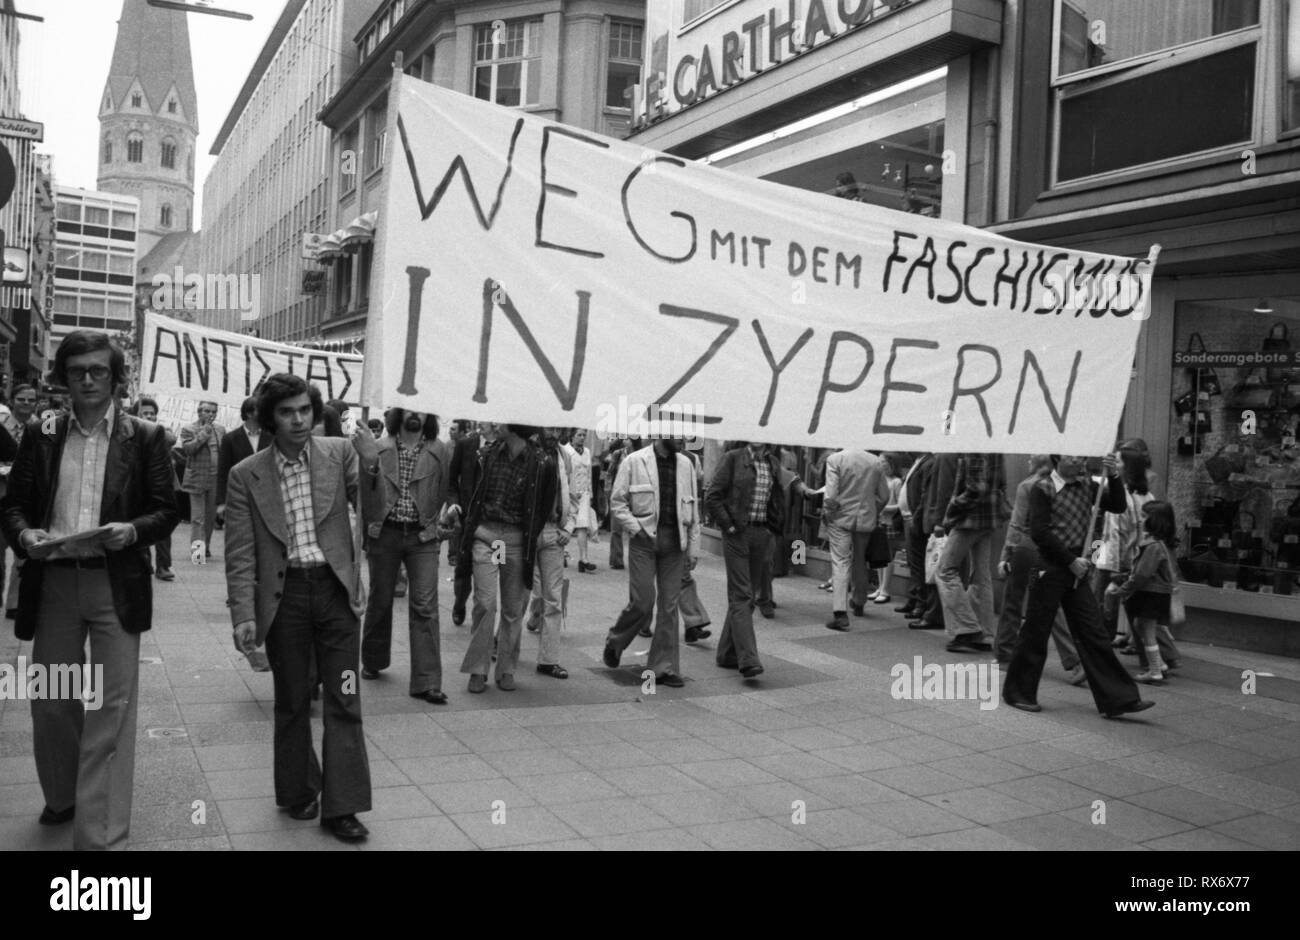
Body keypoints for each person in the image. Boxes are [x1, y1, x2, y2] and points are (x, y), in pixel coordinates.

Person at [1, 330, 179, 849]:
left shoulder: (145, 436)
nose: (87, 380)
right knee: (52, 703)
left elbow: (168, 510)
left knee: (112, 710)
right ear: (61, 378)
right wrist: (23, 535)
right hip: (54, 581)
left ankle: (99, 836)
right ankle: (63, 794)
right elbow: (12, 505)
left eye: (98, 370)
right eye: (77, 371)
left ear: (116, 377)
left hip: (114, 584)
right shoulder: (43, 431)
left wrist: (134, 531)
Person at [224, 373, 371, 842]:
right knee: (290, 701)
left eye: (305, 410)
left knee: (345, 697)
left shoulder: (339, 453)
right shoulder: (246, 474)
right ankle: (297, 789)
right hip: (284, 601)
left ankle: (342, 806)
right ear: (270, 418)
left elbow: (376, 513)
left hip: (334, 595)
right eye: (287, 412)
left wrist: (371, 466)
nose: (299, 420)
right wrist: (243, 614)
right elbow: (241, 552)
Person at [1001, 454, 1155, 719]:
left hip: (1077, 565)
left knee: (1093, 630)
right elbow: (1039, 531)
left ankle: (1119, 699)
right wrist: (1070, 561)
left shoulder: (1089, 486)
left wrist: (1115, 476)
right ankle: (1018, 693)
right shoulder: (1043, 488)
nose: (1081, 462)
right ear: (1058, 458)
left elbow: (1118, 505)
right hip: (1051, 564)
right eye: (1075, 458)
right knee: (1036, 630)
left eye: (1082, 457)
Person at [352, 409, 452, 704]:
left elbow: (444, 489)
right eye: (409, 409)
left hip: (422, 537)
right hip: (385, 532)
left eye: (421, 411)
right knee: (381, 599)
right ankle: (373, 659)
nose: (414, 415)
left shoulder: (440, 451)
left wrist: (434, 521)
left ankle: (427, 680)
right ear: (398, 413)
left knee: (425, 604)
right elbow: (364, 493)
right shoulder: (379, 447)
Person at [450, 423, 545, 693]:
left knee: (513, 609)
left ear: (515, 428)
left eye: (503, 422)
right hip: (487, 535)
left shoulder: (539, 462)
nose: (496, 425)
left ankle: (506, 668)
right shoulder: (487, 455)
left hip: (515, 540)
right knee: (486, 603)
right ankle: (478, 669)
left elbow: (544, 502)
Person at [602, 436, 700, 687]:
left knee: (669, 606)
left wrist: (693, 548)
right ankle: (616, 640)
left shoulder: (686, 464)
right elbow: (618, 502)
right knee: (643, 602)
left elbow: (694, 510)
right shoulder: (634, 461)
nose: (683, 439)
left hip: (675, 544)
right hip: (643, 543)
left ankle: (663, 668)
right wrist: (636, 529)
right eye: (678, 434)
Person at [705, 440, 790, 678]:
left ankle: (726, 653)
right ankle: (748, 659)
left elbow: (776, 498)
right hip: (737, 534)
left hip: (761, 534)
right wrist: (728, 526)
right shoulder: (733, 458)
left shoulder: (772, 462)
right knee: (742, 595)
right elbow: (712, 495)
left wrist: (772, 529)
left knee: (747, 598)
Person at [996, 454, 1084, 684]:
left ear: (1041, 464)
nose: (1027, 462)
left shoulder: (1028, 486)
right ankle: (1074, 659)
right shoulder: (1065, 486)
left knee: (1013, 600)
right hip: (1054, 555)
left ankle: (1005, 653)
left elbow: (1017, 523)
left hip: (1027, 552)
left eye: (1031, 459)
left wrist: (1005, 555)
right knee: (1050, 606)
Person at [936, 453, 1008, 653]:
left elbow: (976, 489)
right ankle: (985, 634)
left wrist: (951, 511)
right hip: (988, 518)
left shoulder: (975, 448)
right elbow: (1001, 484)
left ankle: (966, 628)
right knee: (981, 575)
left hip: (970, 519)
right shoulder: (996, 449)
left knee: (944, 571)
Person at [521, 427, 574, 680]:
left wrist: (569, 527)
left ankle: (548, 660)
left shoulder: (564, 455)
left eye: (558, 428)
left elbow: (573, 494)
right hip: (527, 531)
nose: (554, 432)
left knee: (553, 597)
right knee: (518, 592)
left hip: (554, 531)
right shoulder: (527, 450)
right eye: (549, 428)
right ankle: (500, 641)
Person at [822, 447, 891, 631]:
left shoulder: (836, 459)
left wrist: (828, 513)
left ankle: (840, 613)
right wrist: (872, 508)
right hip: (864, 518)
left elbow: (831, 494)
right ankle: (859, 601)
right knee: (860, 559)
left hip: (840, 517)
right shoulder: (875, 461)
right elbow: (885, 495)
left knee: (841, 562)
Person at [1114, 501, 1179, 685]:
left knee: (1148, 631)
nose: (1140, 520)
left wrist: (1124, 589)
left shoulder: (1153, 546)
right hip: (1156, 593)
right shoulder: (1161, 544)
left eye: (1144, 516)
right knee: (1141, 625)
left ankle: (1155, 670)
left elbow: (1142, 574)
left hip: (1150, 593)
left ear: (1155, 521)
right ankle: (1159, 664)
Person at [447, 421, 494, 626]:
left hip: (496, 529)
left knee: (495, 572)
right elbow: (451, 480)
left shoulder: (506, 445)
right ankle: (460, 601)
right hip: (467, 521)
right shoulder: (466, 443)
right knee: (463, 567)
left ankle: (486, 623)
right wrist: (454, 504)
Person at [131, 398, 179, 583]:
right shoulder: (130, 430)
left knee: (164, 527)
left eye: (152, 413)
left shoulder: (160, 431)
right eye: (145, 413)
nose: (150, 416)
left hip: (164, 486)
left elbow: (172, 439)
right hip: (139, 486)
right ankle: (145, 563)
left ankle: (166, 565)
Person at [0, 384, 36, 610]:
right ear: (12, 400)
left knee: (24, 553)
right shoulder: (0, 425)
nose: (26, 403)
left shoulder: (46, 425)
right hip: (2, 496)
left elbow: (53, 456)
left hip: (29, 500)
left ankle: (15, 604)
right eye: (21, 399)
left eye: (31, 400)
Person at [178, 400, 225, 560]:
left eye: (214, 412)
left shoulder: (220, 429)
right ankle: (197, 553)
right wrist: (204, 432)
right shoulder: (188, 429)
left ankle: (206, 546)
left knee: (211, 517)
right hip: (197, 478)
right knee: (198, 518)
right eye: (207, 411)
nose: (211, 414)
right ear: (199, 412)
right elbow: (189, 450)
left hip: (215, 478)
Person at [566, 428, 595, 571]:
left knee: (583, 525)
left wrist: (590, 493)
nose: (582, 438)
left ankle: (584, 559)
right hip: (569, 494)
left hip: (584, 494)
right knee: (565, 525)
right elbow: (564, 473)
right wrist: (568, 492)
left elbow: (589, 474)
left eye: (584, 435)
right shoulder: (565, 451)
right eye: (579, 435)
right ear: (572, 437)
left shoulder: (587, 452)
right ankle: (562, 554)